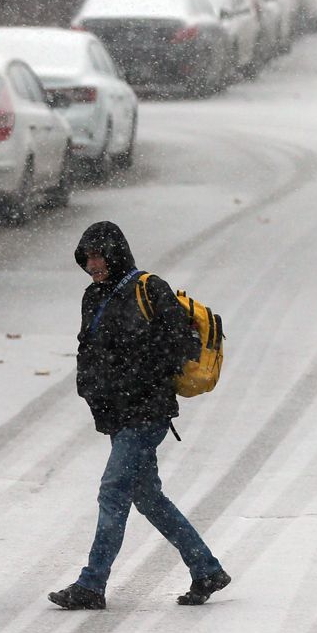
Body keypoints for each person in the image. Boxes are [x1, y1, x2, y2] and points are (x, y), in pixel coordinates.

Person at [48, 221, 230, 610]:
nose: (94, 264)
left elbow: (176, 344)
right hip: (119, 415)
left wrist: (138, 374)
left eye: (99, 256)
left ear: (116, 254)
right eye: (88, 257)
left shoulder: (150, 288)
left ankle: (91, 585)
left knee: (113, 491)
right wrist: (94, 393)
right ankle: (207, 569)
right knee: (149, 498)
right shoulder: (92, 297)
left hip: (146, 413)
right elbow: (89, 350)